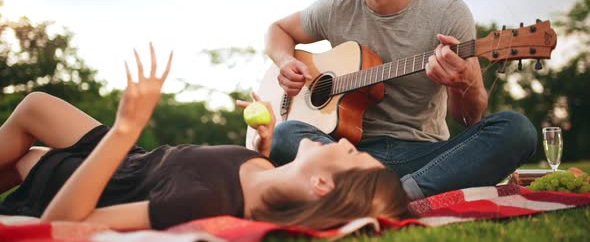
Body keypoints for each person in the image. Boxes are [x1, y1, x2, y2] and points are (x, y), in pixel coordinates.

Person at [264, 0, 537, 200]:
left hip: (425, 156)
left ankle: (383, 193)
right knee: (286, 133)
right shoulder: (336, 8)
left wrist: (462, 83)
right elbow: (277, 29)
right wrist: (286, 61)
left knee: (517, 130)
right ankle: (398, 194)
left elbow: (468, 117)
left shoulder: (448, 11)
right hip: (347, 154)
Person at [0, 44, 411, 231]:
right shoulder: (265, 169)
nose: (346, 143)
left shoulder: (207, 202)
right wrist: (262, 143)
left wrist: (126, 128)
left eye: (353, 157)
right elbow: (233, 165)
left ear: (321, 185)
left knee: (31, 158)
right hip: (134, 160)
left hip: (99, 179)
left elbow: (60, 225)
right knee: (37, 106)